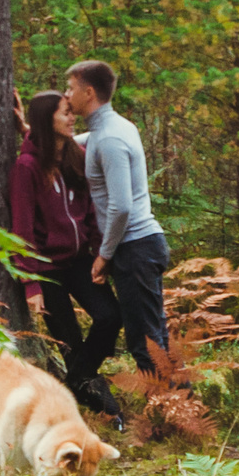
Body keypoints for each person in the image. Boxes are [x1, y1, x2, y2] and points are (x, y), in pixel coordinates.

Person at [8, 90, 122, 414]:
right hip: (46, 269)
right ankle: (103, 408)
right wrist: (31, 284)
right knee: (69, 341)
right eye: (65, 113)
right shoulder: (26, 169)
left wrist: (101, 253)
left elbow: (91, 211)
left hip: (79, 260)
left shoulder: (77, 156)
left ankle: (76, 382)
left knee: (111, 317)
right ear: (49, 120)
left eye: (72, 112)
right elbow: (22, 232)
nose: (73, 118)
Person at [63, 59, 171, 373]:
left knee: (146, 345)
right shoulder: (107, 131)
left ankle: (166, 416)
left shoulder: (109, 138)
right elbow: (68, 143)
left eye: (71, 88)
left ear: (89, 92)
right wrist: (33, 128)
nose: (67, 95)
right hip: (138, 247)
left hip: (135, 248)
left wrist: (104, 255)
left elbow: (121, 206)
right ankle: (177, 412)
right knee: (154, 341)